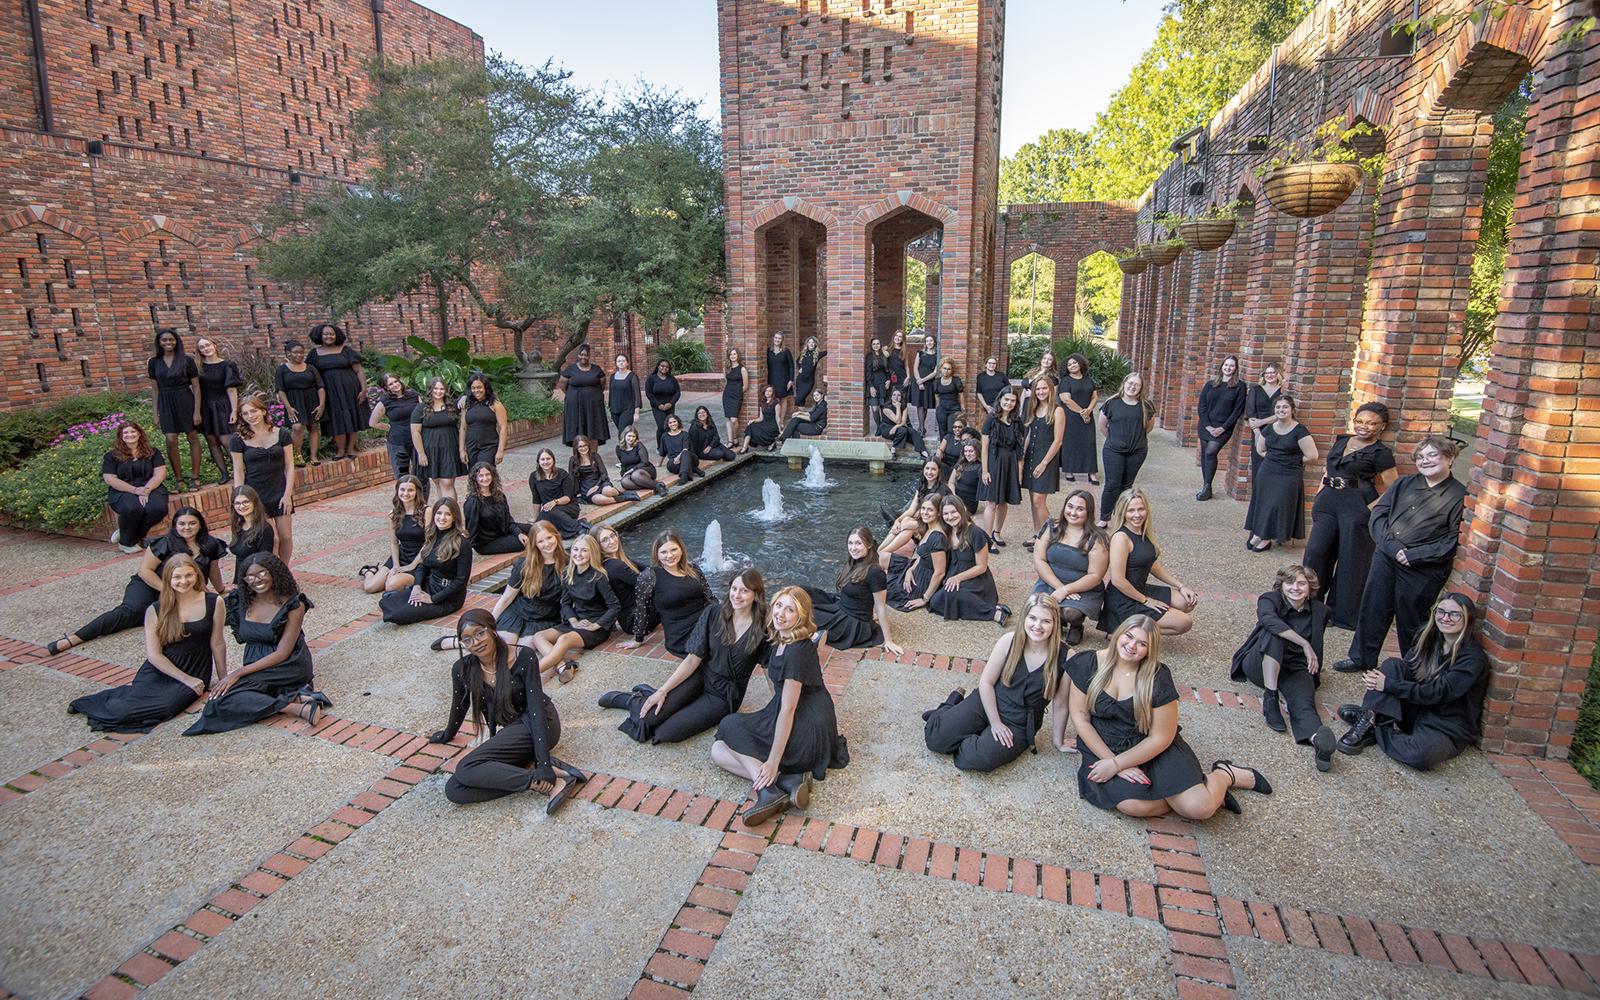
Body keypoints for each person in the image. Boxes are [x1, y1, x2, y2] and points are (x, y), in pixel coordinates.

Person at [1063, 615, 1272, 819]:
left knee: (1200, 809)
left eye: (1142, 644)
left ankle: (1224, 775)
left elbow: (1161, 736)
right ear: (1118, 634)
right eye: (1129, 636)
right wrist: (1110, 761)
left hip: (1150, 745)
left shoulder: (1157, 677)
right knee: (1133, 805)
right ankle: (1194, 793)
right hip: (1104, 743)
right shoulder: (1088, 663)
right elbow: (1081, 718)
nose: (1132, 646)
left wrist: (1118, 764)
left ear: (1150, 650)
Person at [428, 609, 587, 814]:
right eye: (467, 640)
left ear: (493, 630)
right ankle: (534, 776)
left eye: (480, 633)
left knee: (466, 767)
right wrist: (447, 735)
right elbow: (459, 706)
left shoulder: (522, 656)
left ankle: (553, 779)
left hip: (540, 725)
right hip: (513, 732)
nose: (475, 642)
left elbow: (536, 709)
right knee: (455, 790)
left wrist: (543, 764)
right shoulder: (462, 668)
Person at [713, 587, 848, 826]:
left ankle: (770, 789)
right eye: (778, 606)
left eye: (790, 610)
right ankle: (786, 783)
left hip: (806, 725)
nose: (781, 614)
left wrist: (773, 761)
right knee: (718, 752)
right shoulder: (783, 638)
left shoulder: (796, 650)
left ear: (801, 616)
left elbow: (788, 709)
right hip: (797, 713)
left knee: (729, 726)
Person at [1333, 437, 1468, 674]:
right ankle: (1362, 657)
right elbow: (1379, 515)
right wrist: (1393, 548)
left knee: (1412, 619)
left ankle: (1413, 666)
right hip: (1387, 557)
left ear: (1449, 458)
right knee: (1373, 607)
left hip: (1423, 569)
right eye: (1421, 457)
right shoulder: (1404, 484)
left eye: (1432, 455)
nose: (1426, 461)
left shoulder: (1458, 495)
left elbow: (1451, 540)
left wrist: (1414, 555)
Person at [602, 570, 771, 744]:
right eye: (734, 589)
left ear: (756, 594)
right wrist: (662, 691)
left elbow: (768, 667)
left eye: (744, 591)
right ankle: (633, 701)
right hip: (701, 676)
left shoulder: (764, 627)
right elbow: (692, 659)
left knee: (664, 734)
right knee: (648, 719)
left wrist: (778, 708)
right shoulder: (713, 613)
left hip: (724, 695)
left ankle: (649, 696)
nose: (737, 595)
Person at [67, 555, 224, 733]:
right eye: (177, 577)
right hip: (162, 668)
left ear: (197, 575)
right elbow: (155, 655)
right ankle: (91, 703)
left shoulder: (214, 602)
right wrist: (186, 680)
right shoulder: (156, 609)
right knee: (126, 710)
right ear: (168, 579)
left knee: (167, 707)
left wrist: (223, 679)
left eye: (189, 575)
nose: (184, 581)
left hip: (195, 668)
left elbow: (217, 643)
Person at [1337, 592, 1490, 770]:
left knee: (1419, 756)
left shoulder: (1472, 658)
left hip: (1445, 725)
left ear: (1467, 619)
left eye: (1454, 614)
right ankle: (1372, 717)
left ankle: (1374, 723)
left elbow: (1438, 692)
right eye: (1441, 612)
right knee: (1393, 666)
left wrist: (1388, 685)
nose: (1445, 618)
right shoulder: (1429, 640)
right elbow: (1405, 671)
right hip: (1416, 710)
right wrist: (1389, 682)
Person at [49, 507, 226, 653]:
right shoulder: (163, 543)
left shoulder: (210, 545)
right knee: (130, 612)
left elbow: (212, 569)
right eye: (182, 524)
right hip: (149, 584)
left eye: (192, 523)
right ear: (175, 526)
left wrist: (220, 589)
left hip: (181, 588)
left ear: (200, 525)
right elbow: (145, 571)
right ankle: (74, 638)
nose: (187, 527)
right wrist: (167, 590)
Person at [924, 594, 1068, 772]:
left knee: (971, 760)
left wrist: (1058, 741)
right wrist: (995, 723)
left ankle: (962, 727)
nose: (1037, 626)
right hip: (989, 700)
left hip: (1019, 722)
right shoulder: (1009, 641)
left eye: (1046, 621)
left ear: (1055, 623)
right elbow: (986, 682)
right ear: (1024, 617)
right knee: (936, 739)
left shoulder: (1066, 656)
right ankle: (949, 707)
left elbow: (1061, 704)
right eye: (1032, 618)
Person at [185, 553, 327, 734]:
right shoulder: (241, 601)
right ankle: (295, 705)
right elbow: (210, 615)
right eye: (250, 576)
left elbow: (282, 653)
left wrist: (237, 673)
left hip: (287, 665)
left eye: (262, 573)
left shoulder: (294, 604)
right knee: (220, 697)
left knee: (220, 701)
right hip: (256, 665)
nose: (256, 580)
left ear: (274, 573)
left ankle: (292, 702)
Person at [1230, 565, 1337, 771]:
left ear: (1310, 587)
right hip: (1261, 662)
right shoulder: (1269, 599)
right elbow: (1269, 621)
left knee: (1304, 703)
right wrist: (1305, 644)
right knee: (1275, 634)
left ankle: (1318, 741)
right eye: (1289, 582)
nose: (1295, 588)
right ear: (1282, 585)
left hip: (1295, 667)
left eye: (1301, 583)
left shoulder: (1320, 611)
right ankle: (1270, 698)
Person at [1302, 403, 1395, 630]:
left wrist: (1370, 509)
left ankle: (1341, 615)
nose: (1364, 426)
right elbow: (1328, 469)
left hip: (1356, 506)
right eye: (1360, 421)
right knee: (1315, 552)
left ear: (1382, 427)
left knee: (1351, 560)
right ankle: (1310, 606)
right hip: (1328, 502)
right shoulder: (1342, 440)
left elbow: (1394, 488)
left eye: (1371, 423)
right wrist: (1319, 495)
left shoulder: (1381, 453)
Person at [1100, 489, 1197, 636]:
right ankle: (1122, 629)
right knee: (1184, 622)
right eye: (1131, 510)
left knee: (1187, 602)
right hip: (1123, 599)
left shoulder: (1143, 532)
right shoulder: (1121, 538)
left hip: (1140, 589)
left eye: (1141, 509)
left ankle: (1132, 627)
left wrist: (1181, 586)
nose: (1137, 514)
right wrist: (1146, 601)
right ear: (1123, 513)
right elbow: (1118, 580)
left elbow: (1150, 564)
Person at [528, 534, 620, 684]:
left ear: (592, 553)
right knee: (538, 637)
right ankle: (563, 666)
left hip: (594, 626)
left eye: (584, 550)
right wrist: (573, 621)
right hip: (576, 621)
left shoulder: (598, 577)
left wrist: (596, 625)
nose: (578, 554)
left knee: (563, 639)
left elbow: (615, 606)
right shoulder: (568, 573)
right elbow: (565, 603)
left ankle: (528, 675)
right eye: (576, 549)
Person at [467, 520, 567, 651]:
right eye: (540, 541)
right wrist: (490, 623)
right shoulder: (524, 565)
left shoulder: (568, 563)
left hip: (545, 618)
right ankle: (456, 642)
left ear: (556, 536)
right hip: (517, 613)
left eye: (549, 538)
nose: (547, 544)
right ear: (535, 544)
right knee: (502, 645)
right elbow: (506, 598)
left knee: (522, 650)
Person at [805, 527, 904, 655]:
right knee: (802, 592)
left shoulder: (875, 572)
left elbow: (881, 607)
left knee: (806, 614)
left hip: (851, 622)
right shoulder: (854, 561)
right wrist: (872, 612)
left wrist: (889, 640)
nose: (853, 548)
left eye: (858, 543)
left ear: (869, 544)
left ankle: (815, 637)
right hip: (840, 605)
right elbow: (864, 595)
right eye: (850, 543)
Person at [618, 531, 715, 656]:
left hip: (705, 621)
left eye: (674, 550)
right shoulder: (650, 576)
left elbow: (709, 598)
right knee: (716, 648)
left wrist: (720, 616)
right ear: (657, 554)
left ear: (681, 549)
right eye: (663, 552)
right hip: (681, 633)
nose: (669, 555)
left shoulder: (693, 569)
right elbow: (642, 609)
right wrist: (638, 639)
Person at [378, 498, 473, 625]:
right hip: (430, 585)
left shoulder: (462, 543)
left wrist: (432, 599)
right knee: (386, 602)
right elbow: (423, 566)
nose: (442, 518)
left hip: (448, 597)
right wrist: (416, 586)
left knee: (396, 615)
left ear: (454, 518)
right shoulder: (432, 536)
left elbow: (461, 581)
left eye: (448, 514)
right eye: (439, 513)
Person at [1032, 490, 1108, 646]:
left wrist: (1067, 590)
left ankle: (1076, 625)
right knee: (1037, 606)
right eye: (1070, 506)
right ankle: (1057, 620)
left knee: (1070, 613)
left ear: (1089, 512)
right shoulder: (1051, 526)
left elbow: (1095, 575)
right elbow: (1039, 560)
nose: (1073, 512)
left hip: (1082, 588)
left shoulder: (1097, 538)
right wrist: (1059, 587)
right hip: (1050, 581)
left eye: (1080, 509)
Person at [1244, 395, 1317, 552]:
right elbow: (1260, 450)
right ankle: (1260, 534)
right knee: (1263, 503)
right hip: (1268, 471)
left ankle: (1264, 538)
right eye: (1278, 407)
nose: (1281, 410)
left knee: (1276, 505)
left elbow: (1312, 456)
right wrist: (1274, 458)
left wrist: (1290, 460)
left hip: (1289, 473)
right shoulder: (1269, 429)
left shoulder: (1300, 431)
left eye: (1285, 407)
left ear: (1292, 410)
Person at [229, 392, 296, 562]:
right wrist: (239, 497)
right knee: (272, 539)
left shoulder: (282, 433)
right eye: (245, 413)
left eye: (253, 411)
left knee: (286, 537)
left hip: (279, 491)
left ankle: (283, 570)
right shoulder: (237, 439)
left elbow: (289, 466)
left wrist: (288, 494)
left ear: (263, 411)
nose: (250, 416)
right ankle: (270, 571)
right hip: (255, 495)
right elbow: (238, 471)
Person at [929, 496, 1007, 625]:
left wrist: (957, 578)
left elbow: (981, 566)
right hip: (954, 575)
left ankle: (994, 613)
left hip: (976, 580)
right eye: (946, 513)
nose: (950, 517)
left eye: (953, 512)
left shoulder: (975, 533)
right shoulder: (946, 530)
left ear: (962, 510)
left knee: (952, 595)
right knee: (935, 602)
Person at [146, 327, 202, 491]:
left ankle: (195, 477)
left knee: (192, 436)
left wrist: (197, 411)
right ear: (159, 342)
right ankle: (179, 479)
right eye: (164, 340)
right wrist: (155, 413)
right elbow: (154, 390)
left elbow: (196, 387)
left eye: (171, 339)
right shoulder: (153, 362)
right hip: (165, 401)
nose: (168, 342)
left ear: (176, 341)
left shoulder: (187, 360)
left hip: (185, 399)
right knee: (170, 439)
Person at [102, 422, 169, 554]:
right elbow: (110, 479)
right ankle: (126, 543)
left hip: (150, 487)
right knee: (132, 508)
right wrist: (135, 490)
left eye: (133, 431)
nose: (130, 435)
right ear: (120, 436)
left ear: (139, 433)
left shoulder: (153, 452)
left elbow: (160, 473)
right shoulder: (111, 456)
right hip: (123, 489)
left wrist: (146, 490)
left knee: (158, 509)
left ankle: (127, 533)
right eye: (125, 433)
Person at [1097, 372, 1154, 527]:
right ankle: (1104, 518)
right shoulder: (1111, 403)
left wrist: (1134, 438)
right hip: (1114, 451)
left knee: (1127, 486)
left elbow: (1148, 427)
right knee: (1112, 484)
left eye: (1137, 385)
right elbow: (1102, 425)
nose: (1132, 387)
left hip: (1137, 452)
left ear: (1141, 388)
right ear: (1124, 383)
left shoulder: (1146, 406)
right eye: (1130, 383)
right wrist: (1116, 439)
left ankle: (1122, 516)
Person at [306, 323, 366, 462]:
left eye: (332, 334)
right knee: (336, 420)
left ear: (337, 335)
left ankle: (350, 449)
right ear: (320, 336)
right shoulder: (314, 354)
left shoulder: (346, 350)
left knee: (352, 417)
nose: (329, 336)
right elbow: (310, 373)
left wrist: (363, 389)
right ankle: (340, 450)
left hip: (350, 390)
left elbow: (359, 370)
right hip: (329, 393)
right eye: (326, 334)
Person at [360, 476, 427, 594]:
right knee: (370, 587)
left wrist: (412, 565)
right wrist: (396, 566)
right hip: (402, 555)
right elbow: (394, 543)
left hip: (420, 558)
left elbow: (429, 542)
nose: (405, 493)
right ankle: (369, 571)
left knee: (391, 586)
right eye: (402, 490)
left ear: (417, 492)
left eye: (410, 490)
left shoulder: (426, 511)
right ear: (397, 491)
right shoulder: (393, 514)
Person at [1194, 355, 1247, 501]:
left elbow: (1237, 410)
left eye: (1232, 366)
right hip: (1206, 426)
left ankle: (1207, 486)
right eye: (1226, 365)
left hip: (1224, 427)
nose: (1228, 368)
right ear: (1222, 366)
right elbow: (1202, 406)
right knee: (1205, 454)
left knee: (1211, 452)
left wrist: (1222, 428)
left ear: (1235, 369)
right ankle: (1206, 487)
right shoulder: (1210, 384)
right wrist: (1208, 426)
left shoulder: (1240, 386)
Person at [1021, 376, 1066, 544]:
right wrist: (1022, 455)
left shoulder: (1057, 411)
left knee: (1039, 501)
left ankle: (1053, 537)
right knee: (1033, 500)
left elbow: (1058, 441)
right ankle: (1037, 535)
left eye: (1044, 388)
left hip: (1046, 459)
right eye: (1038, 389)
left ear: (1051, 390)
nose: (1041, 392)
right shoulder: (1034, 407)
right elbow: (1029, 435)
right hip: (1031, 457)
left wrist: (1044, 463)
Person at [885, 495, 949, 613]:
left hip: (922, 582)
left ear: (939, 513)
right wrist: (910, 570)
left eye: (930, 510)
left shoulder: (937, 537)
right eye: (923, 508)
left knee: (885, 588)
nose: (925, 513)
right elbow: (924, 555)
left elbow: (940, 572)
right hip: (917, 570)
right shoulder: (929, 528)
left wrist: (925, 599)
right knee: (882, 569)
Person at [193, 336, 241, 484]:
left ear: (214, 345)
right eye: (202, 347)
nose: (206, 348)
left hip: (222, 406)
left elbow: (231, 390)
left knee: (226, 440)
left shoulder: (227, 365)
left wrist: (234, 410)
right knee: (212, 441)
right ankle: (224, 473)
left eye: (208, 345)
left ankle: (240, 471)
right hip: (205, 407)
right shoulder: (198, 368)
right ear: (199, 351)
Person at [981, 384, 1024, 547]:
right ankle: (987, 539)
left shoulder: (1017, 421)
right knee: (992, 502)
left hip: (1010, 463)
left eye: (1013, 400)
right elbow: (984, 447)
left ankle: (997, 533)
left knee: (1004, 501)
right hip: (994, 462)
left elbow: (1019, 448)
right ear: (1000, 399)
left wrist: (1019, 471)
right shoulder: (991, 418)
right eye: (1006, 399)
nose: (1009, 403)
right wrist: (985, 470)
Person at [411, 377, 465, 502]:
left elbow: (469, 392)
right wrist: (421, 453)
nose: (438, 391)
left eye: (441, 389)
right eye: (435, 388)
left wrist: (464, 397)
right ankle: (443, 510)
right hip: (430, 450)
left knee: (447, 483)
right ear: (430, 390)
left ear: (445, 390)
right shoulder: (421, 408)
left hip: (449, 449)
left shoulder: (453, 405)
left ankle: (452, 511)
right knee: (438, 483)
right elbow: (415, 432)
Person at [274, 338, 326, 466]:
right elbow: (280, 390)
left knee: (314, 427)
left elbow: (320, 386)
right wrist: (288, 408)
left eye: (301, 352)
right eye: (296, 352)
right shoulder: (282, 369)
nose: (299, 355)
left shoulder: (311, 367)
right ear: (288, 354)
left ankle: (314, 456)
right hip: (294, 402)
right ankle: (298, 456)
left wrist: (321, 405)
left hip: (312, 400)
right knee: (297, 427)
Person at [462, 463, 529, 556]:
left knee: (532, 529)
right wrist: (466, 549)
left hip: (501, 529)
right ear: (475, 478)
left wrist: (518, 533)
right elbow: (471, 529)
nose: (485, 478)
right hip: (486, 542)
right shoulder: (472, 502)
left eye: (487, 474)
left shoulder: (499, 495)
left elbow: (508, 519)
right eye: (481, 475)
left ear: (492, 475)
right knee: (520, 544)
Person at [369, 373, 420, 481]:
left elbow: (425, 413)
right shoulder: (385, 402)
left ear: (400, 381)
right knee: (402, 475)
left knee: (421, 473)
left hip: (417, 440)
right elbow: (373, 422)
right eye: (391, 384)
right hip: (398, 443)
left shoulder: (414, 395)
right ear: (387, 388)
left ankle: (422, 493)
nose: (395, 385)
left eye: (396, 381)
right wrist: (389, 427)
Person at [1058, 353, 1099, 485]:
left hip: (1087, 415)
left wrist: (1089, 410)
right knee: (1071, 443)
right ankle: (1069, 470)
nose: (1072, 365)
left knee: (1089, 443)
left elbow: (1094, 397)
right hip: (1071, 417)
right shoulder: (1065, 381)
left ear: (1080, 363)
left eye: (1074, 362)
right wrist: (1082, 412)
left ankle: (1091, 473)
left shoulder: (1089, 380)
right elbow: (1066, 400)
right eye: (1069, 364)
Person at [528, 447, 587, 538]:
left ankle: (578, 528)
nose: (545, 462)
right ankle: (579, 525)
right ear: (538, 462)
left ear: (553, 460)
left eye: (548, 459)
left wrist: (555, 502)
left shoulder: (563, 474)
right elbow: (536, 499)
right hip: (548, 511)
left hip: (567, 507)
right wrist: (536, 518)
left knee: (547, 513)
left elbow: (568, 497)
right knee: (542, 524)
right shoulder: (533, 477)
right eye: (542, 459)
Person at [592, 525, 641, 634]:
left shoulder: (619, 559)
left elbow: (648, 569)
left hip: (634, 616)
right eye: (605, 540)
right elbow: (644, 583)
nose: (612, 541)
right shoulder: (614, 565)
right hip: (635, 619)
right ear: (597, 546)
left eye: (612, 535)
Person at [556, 344, 609, 445]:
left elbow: (602, 384)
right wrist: (572, 394)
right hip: (575, 406)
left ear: (589, 356)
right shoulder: (571, 369)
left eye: (586, 355)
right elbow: (562, 384)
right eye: (581, 355)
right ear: (578, 355)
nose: (583, 357)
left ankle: (593, 453)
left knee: (593, 431)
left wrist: (593, 394)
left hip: (593, 406)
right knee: (577, 432)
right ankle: (578, 453)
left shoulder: (596, 369)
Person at [227, 486, 277, 587]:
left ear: (254, 502)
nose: (242, 506)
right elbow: (239, 559)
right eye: (237, 503)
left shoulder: (264, 529)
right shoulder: (238, 526)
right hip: (243, 578)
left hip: (257, 580)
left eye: (246, 502)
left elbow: (265, 560)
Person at [1243, 362, 1284, 481]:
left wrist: (1261, 422)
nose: (1269, 375)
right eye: (1267, 373)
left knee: (1273, 462)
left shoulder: (1282, 392)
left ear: (1278, 374)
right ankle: (1257, 491)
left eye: (1273, 372)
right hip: (1258, 431)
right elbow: (1250, 414)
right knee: (1258, 463)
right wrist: (1257, 433)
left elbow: (1281, 414)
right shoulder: (1255, 390)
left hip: (1277, 430)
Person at [459, 373, 508, 470]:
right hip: (471, 446)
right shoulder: (467, 404)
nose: (476, 390)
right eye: (473, 388)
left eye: (479, 387)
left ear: (485, 387)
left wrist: (500, 450)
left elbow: (503, 427)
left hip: (489, 445)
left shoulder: (495, 404)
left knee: (485, 471)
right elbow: (463, 428)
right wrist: (462, 450)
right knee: (474, 474)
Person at [570, 435, 634, 507]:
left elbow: (604, 474)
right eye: (580, 446)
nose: (583, 448)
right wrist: (571, 494)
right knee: (599, 500)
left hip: (601, 482)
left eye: (585, 445)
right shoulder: (573, 460)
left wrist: (597, 486)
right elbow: (572, 478)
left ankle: (619, 493)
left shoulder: (595, 456)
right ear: (576, 448)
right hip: (587, 487)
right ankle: (624, 497)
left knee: (608, 492)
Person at [644, 358, 682, 453]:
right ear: (658, 366)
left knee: (671, 426)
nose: (664, 368)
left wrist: (671, 403)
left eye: (667, 367)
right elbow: (649, 393)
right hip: (657, 407)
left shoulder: (672, 379)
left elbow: (677, 393)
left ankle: (670, 447)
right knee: (661, 427)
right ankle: (660, 448)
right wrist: (658, 405)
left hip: (670, 406)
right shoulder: (651, 379)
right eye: (662, 366)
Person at [616, 426, 666, 497]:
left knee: (635, 475)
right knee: (624, 482)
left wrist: (631, 470)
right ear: (624, 436)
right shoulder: (619, 448)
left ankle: (658, 487)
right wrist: (622, 475)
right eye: (629, 436)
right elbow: (623, 464)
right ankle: (653, 484)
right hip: (631, 472)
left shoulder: (639, 445)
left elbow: (645, 462)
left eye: (633, 436)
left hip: (644, 469)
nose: (631, 439)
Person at [737, 385, 781, 453]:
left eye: (770, 391)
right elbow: (761, 418)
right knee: (750, 426)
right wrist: (753, 420)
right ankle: (744, 448)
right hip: (764, 423)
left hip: (772, 425)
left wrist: (780, 430)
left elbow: (777, 418)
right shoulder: (762, 403)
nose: (767, 392)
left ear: (773, 393)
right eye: (766, 391)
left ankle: (772, 442)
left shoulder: (776, 404)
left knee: (763, 431)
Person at [910, 335, 939, 433]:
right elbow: (915, 368)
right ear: (925, 343)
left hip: (928, 382)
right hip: (917, 381)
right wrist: (919, 380)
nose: (929, 343)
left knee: (925, 405)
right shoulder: (920, 353)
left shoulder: (937, 355)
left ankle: (921, 427)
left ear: (934, 342)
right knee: (920, 405)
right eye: (927, 341)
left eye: (931, 341)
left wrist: (923, 380)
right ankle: (922, 428)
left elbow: (935, 372)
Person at [948, 439, 984, 517]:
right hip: (955, 497)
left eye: (971, 451)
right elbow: (951, 482)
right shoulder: (960, 463)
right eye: (965, 451)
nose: (967, 454)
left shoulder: (981, 467)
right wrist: (954, 495)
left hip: (968, 504)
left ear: (977, 451)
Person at [609, 353, 641, 436]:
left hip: (627, 410)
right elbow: (611, 393)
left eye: (623, 361)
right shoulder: (612, 376)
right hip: (615, 410)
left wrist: (636, 412)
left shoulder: (632, 376)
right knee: (623, 434)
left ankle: (627, 444)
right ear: (616, 363)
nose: (621, 363)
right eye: (619, 361)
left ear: (627, 363)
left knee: (623, 433)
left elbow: (637, 395)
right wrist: (610, 408)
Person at [932, 359, 964, 440]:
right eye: (944, 368)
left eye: (949, 369)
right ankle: (943, 447)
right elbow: (936, 395)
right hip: (942, 409)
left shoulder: (956, 380)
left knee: (952, 429)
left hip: (954, 408)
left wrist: (962, 406)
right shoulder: (937, 381)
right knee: (942, 431)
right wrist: (938, 406)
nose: (946, 371)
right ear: (941, 369)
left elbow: (961, 394)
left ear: (952, 370)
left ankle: (951, 446)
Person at [767, 332, 795, 423]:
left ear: (782, 340)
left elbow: (791, 366)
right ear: (773, 338)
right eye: (776, 338)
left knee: (783, 399)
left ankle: (781, 420)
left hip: (784, 379)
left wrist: (791, 380)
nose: (777, 340)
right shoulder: (769, 351)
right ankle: (775, 419)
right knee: (774, 399)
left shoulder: (786, 351)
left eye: (779, 338)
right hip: (772, 378)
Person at [660, 413, 698, 482]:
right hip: (674, 460)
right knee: (670, 465)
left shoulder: (685, 434)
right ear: (667, 424)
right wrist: (659, 464)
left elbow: (685, 449)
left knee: (685, 453)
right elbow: (663, 452)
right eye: (670, 423)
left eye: (674, 421)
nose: (672, 424)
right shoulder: (664, 436)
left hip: (689, 458)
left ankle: (684, 476)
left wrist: (678, 457)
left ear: (678, 422)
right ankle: (694, 469)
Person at [723, 347, 748, 444]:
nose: (732, 356)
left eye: (734, 354)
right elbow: (726, 382)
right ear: (728, 356)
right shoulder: (726, 368)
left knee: (734, 419)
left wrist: (738, 393)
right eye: (731, 354)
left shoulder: (742, 369)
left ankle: (735, 437)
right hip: (727, 396)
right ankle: (730, 441)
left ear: (738, 356)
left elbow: (746, 386)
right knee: (728, 418)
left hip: (737, 397)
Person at [794, 336, 827, 408]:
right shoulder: (803, 353)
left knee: (800, 398)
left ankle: (800, 413)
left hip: (809, 381)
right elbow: (797, 361)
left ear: (815, 344)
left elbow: (827, 352)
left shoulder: (817, 354)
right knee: (800, 399)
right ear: (807, 344)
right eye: (809, 342)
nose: (811, 344)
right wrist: (800, 368)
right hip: (800, 380)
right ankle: (800, 413)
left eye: (813, 342)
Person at [865, 337, 889, 431]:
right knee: (875, 409)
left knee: (884, 408)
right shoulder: (870, 356)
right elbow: (868, 372)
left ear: (880, 344)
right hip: (874, 383)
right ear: (871, 346)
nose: (876, 345)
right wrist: (871, 386)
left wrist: (889, 380)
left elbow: (888, 370)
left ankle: (884, 427)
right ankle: (879, 427)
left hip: (883, 384)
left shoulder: (884, 355)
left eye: (877, 343)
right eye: (874, 344)